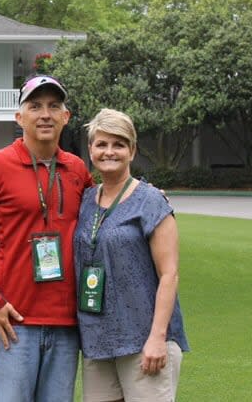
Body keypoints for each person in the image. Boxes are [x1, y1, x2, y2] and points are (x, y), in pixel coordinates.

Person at [0, 74, 93, 402]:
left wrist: (146, 195)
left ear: (65, 117)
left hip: (64, 323)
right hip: (10, 323)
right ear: (20, 117)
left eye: (53, 106)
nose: (45, 114)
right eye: (35, 106)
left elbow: (101, 224)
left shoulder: (77, 171)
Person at [74, 108, 189, 401]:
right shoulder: (86, 200)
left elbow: (169, 274)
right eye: (101, 144)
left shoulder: (149, 201)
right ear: (91, 149)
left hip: (144, 340)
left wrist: (157, 338)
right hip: (98, 342)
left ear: (132, 150)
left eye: (119, 144)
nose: (109, 151)